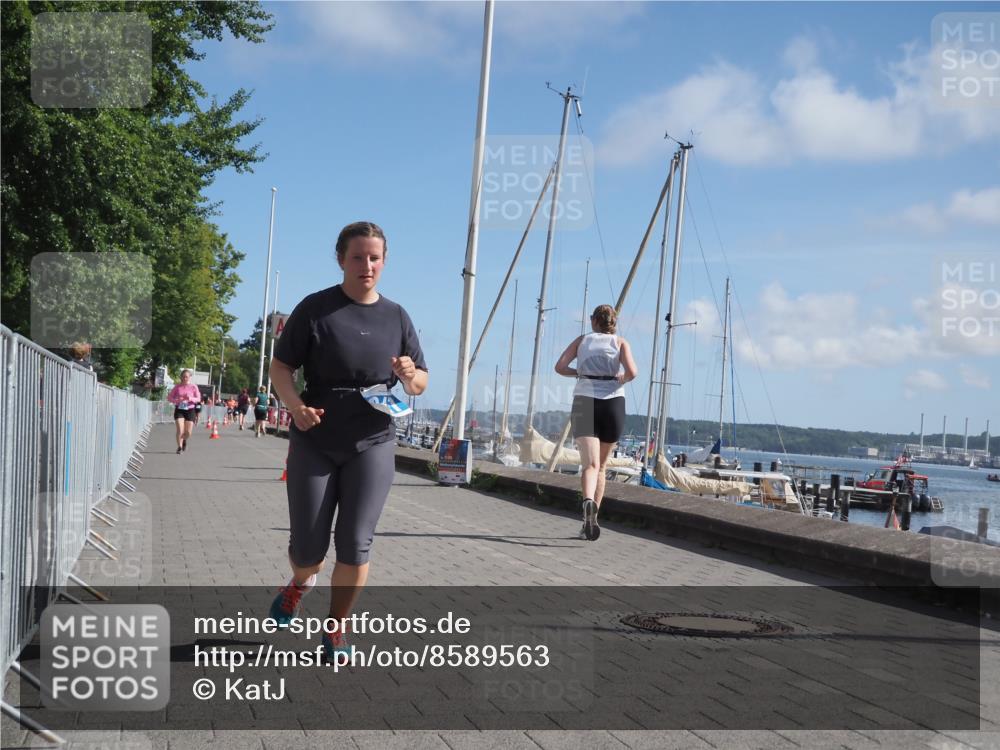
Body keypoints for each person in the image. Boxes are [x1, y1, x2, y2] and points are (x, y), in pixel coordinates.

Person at [267, 221, 427, 659]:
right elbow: (280, 369)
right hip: (315, 437)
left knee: (356, 542)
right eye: (358, 257)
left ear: (384, 261)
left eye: (375, 257)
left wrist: (411, 376)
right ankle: (300, 583)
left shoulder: (397, 316)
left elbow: (420, 383)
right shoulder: (315, 309)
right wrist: (295, 406)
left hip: (373, 439)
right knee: (308, 549)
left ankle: (336, 629)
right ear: (341, 259)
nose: (367, 265)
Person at [554, 304, 638, 541]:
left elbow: (560, 367)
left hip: (584, 402)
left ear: (594, 321)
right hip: (613, 405)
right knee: (601, 466)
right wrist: (620, 377)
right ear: (613, 323)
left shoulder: (582, 340)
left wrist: (578, 373)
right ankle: (593, 518)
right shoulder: (621, 343)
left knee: (589, 465)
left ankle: (587, 501)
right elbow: (632, 372)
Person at [166, 369, 202, 454]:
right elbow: (169, 398)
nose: (185, 378)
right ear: (181, 377)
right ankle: (179, 447)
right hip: (180, 409)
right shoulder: (177, 387)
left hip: (190, 409)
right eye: (183, 376)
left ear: (189, 377)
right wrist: (177, 400)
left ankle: (184, 440)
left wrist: (190, 398)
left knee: (188, 432)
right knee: (180, 430)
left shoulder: (194, 387)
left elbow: (198, 399)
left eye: (187, 377)